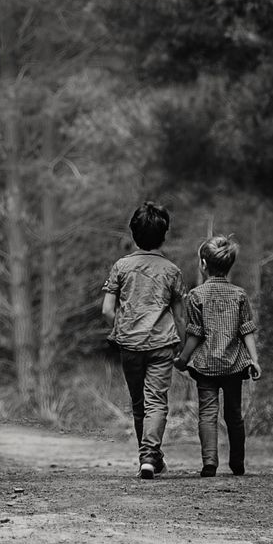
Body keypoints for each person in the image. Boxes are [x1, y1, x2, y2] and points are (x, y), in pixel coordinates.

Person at [102, 201, 185, 479]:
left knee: (139, 403)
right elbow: (179, 315)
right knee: (157, 402)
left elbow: (106, 310)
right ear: (164, 235)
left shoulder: (121, 266)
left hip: (130, 345)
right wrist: (183, 347)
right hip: (162, 344)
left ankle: (148, 457)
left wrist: (119, 330)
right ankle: (150, 456)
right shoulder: (172, 271)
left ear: (133, 234)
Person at [173, 233, 261, 477]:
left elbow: (194, 334)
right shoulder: (240, 295)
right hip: (234, 365)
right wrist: (254, 360)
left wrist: (182, 359)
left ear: (203, 264)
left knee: (207, 414)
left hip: (205, 366)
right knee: (234, 415)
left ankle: (209, 463)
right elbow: (247, 330)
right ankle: (237, 463)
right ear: (229, 264)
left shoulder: (196, 296)